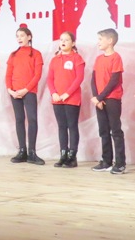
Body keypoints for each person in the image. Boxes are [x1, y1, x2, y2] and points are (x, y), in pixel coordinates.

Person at [6, 25, 44, 165]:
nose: (19, 38)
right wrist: (10, 90)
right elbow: (8, 75)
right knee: (19, 119)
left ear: (29, 37)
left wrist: (26, 89)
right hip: (15, 92)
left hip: (29, 92)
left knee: (32, 119)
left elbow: (37, 75)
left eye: (22, 36)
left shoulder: (36, 54)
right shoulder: (13, 55)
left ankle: (32, 152)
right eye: (17, 36)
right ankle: (22, 151)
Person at [47, 31, 85, 168]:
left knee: (72, 126)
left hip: (72, 98)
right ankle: (63, 154)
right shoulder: (54, 60)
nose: (63, 42)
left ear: (73, 43)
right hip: (57, 99)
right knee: (62, 126)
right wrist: (54, 93)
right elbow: (50, 79)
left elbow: (79, 78)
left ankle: (72, 157)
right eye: (61, 39)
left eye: (67, 40)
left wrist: (67, 94)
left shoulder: (77, 58)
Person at [90, 28, 126, 174]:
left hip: (112, 99)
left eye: (100, 39)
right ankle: (106, 161)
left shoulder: (116, 58)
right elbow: (93, 79)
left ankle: (120, 163)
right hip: (99, 100)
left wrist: (100, 97)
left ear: (110, 41)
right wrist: (96, 97)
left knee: (115, 130)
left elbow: (114, 81)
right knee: (103, 130)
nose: (98, 42)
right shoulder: (98, 59)